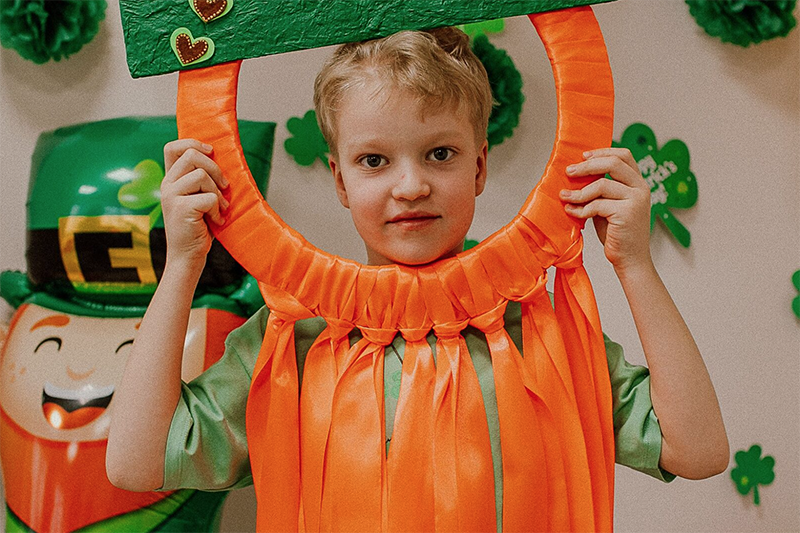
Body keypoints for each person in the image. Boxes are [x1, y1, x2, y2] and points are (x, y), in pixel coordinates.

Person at [106, 26, 729, 526]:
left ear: (479, 167)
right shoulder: (292, 338)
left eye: (440, 153)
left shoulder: (540, 329)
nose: (410, 185)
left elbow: (697, 451)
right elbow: (135, 462)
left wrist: (635, 265)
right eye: (374, 160)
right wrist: (182, 266)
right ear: (341, 180)